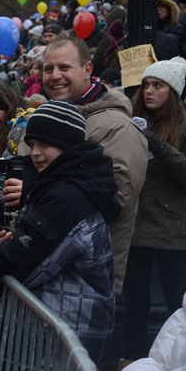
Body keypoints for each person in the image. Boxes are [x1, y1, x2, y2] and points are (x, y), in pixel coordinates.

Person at [0, 101, 121, 367]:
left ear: (67, 146)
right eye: (33, 144)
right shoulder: (62, 184)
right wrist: (6, 238)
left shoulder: (68, 197)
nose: (36, 153)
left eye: (45, 145)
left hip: (60, 339)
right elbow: (36, 245)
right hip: (54, 331)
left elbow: (26, 260)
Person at [36, 36, 148, 294]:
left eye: (64, 68)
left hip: (86, 279)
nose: (55, 76)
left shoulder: (116, 127)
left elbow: (118, 197)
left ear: (87, 70)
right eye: (48, 69)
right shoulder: (52, 117)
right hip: (44, 266)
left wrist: (39, 200)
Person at [123, 57, 186, 360]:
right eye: (146, 85)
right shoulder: (133, 121)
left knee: (177, 305)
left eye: (157, 85)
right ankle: (132, 360)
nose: (148, 91)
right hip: (136, 229)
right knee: (135, 303)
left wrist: (161, 149)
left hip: (172, 232)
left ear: (172, 92)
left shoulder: (183, 127)